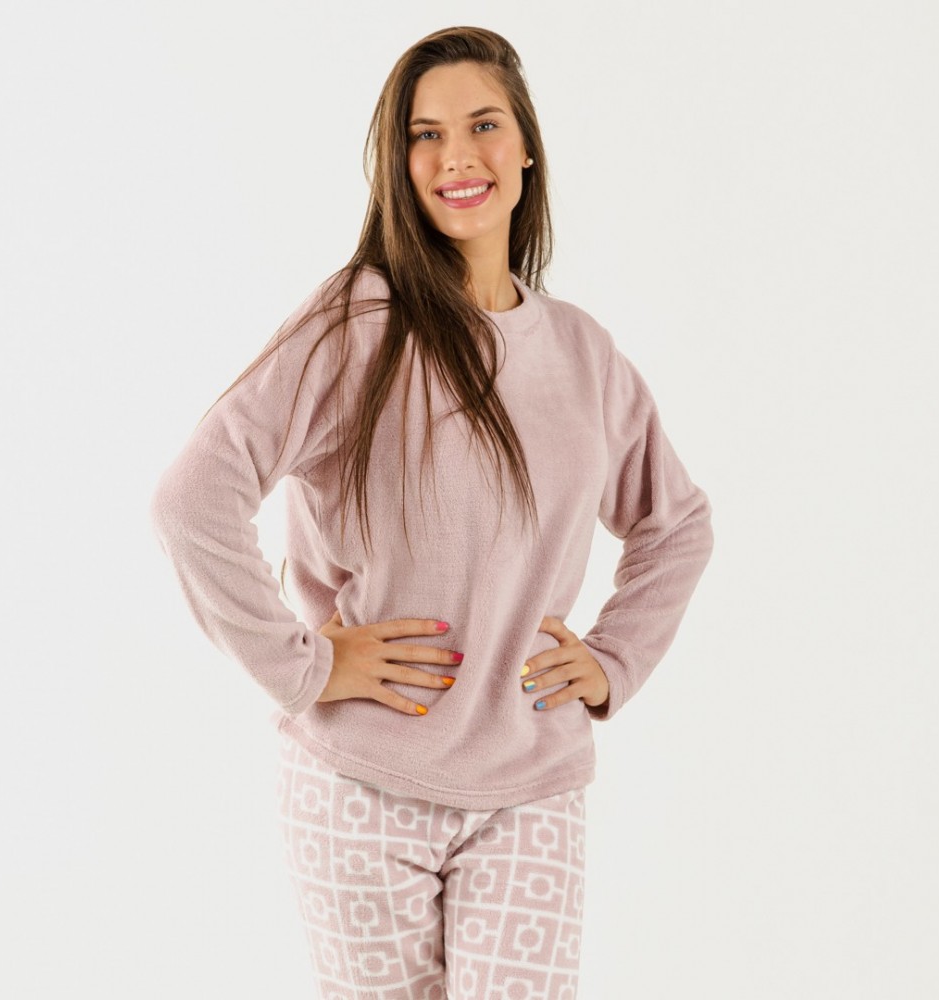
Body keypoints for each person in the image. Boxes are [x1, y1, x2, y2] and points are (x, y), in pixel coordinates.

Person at [149, 24, 713, 1000]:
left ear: (526, 148)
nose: (457, 156)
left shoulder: (581, 353)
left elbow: (677, 524)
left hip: (531, 785)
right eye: (425, 134)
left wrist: (613, 658)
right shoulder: (359, 320)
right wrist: (304, 664)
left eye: (483, 125)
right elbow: (192, 499)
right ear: (398, 162)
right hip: (358, 782)